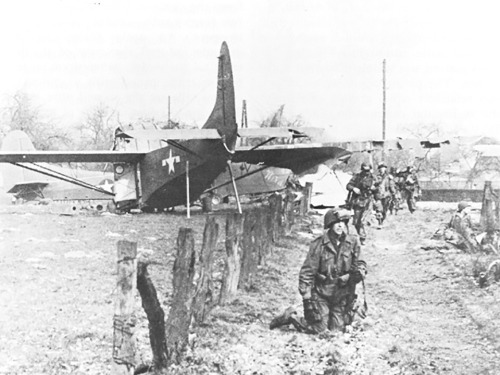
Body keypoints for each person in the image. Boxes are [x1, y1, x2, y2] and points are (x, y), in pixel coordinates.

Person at [269, 208, 367, 334]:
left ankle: (334, 317)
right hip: (322, 294)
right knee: (320, 329)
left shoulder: (352, 242)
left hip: (341, 295)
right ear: (330, 225)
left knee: (336, 329)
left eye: (343, 223)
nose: (340, 226)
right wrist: (307, 300)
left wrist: (359, 272)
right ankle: (291, 317)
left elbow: (361, 263)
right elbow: (307, 272)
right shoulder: (319, 244)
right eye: (336, 223)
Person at [346, 162, 376, 244]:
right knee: (356, 221)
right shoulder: (357, 177)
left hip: (368, 201)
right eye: (364, 170)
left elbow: (380, 188)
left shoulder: (374, 178)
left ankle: (363, 237)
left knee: (363, 220)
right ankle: (361, 234)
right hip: (358, 201)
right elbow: (348, 185)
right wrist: (354, 188)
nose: (366, 172)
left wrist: (374, 189)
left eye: (368, 170)